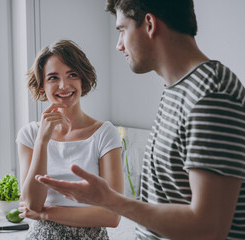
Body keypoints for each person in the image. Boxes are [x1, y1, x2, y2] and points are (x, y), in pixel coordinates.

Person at [36, 1, 245, 239]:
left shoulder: (210, 95)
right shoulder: (178, 90)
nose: (119, 45)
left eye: (122, 30)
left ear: (149, 24)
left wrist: (110, 201)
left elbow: (209, 227)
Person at [16, 39, 124, 239]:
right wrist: (42, 141)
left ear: (82, 79)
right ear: (41, 86)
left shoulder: (105, 134)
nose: (64, 85)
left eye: (72, 75)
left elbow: (113, 214)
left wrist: (45, 213)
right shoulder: (30, 135)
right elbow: (31, 204)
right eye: (53, 78)